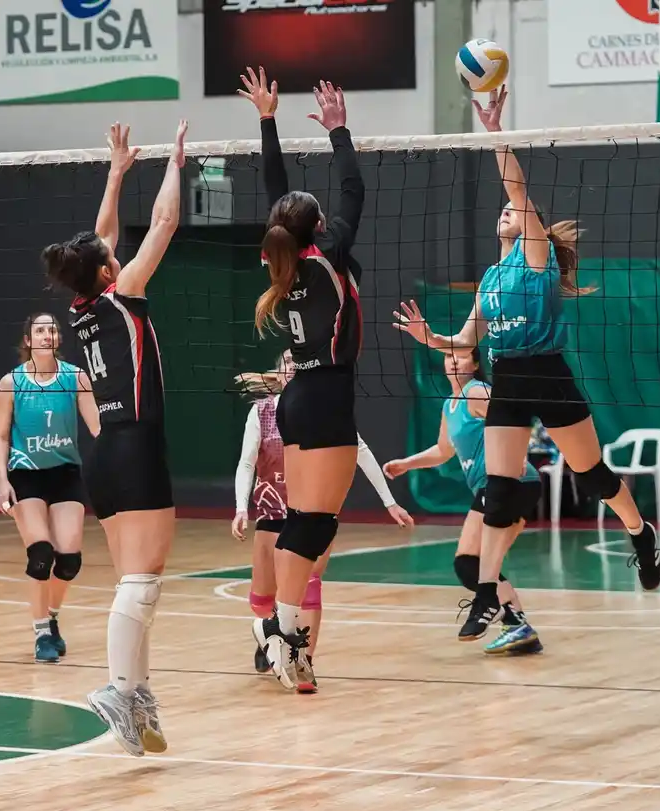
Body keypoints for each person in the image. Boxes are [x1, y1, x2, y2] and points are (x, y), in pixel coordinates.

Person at [392, 85, 660, 639]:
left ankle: (640, 533)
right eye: (504, 211)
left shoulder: (535, 256)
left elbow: (515, 186)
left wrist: (496, 134)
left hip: (548, 373)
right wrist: (428, 337)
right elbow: (463, 341)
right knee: (498, 490)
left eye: (513, 210)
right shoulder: (489, 280)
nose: (506, 211)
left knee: (592, 475)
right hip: (508, 378)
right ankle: (486, 594)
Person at [42, 118, 187, 757]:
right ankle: (118, 689)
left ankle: (137, 694)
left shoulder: (83, 308)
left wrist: (116, 172)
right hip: (135, 445)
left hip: (106, 452)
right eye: (110, 257)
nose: (117, 254)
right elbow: (165, 224)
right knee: (145, 579)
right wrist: (176, 163)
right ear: (107, 271)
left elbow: (101, 238)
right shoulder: (124, 295)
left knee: (136, 577)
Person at [239, 69, 365, 691]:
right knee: (318, 524)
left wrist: (268, 120)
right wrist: (338, 131)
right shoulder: (327, 254)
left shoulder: (281, 259)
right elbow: (353, 189)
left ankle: (284, 636)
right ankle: (287, 638)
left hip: (295, 397)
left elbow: (277, 191)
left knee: (302, 521)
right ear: (317, 229)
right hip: (327, 394)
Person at [231, 350, 414, 687]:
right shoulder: (263, 412)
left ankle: (304, 661)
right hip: (272, 510)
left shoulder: (326, 409)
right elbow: (246, 463)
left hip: (311, 510)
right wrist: (241, 507)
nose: (291, 367)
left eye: (296, 362)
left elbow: (361, 451)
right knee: (261, 599)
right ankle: (273, 630)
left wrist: (390, 503)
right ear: (279, 373)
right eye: (286, 363)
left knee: (310, 584)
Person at [382, 346, 544, 655]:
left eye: (461, 355)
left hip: (509, 482)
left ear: (475, 363)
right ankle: (517, 626)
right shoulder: (450, 405)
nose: (453, 360)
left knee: (469, 563)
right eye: (448, 355)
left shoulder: (477, 391)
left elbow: (512, 417)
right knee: (480, 565)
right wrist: (407, 463)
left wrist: (519, 453)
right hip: (499, 487)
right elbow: (443, 450)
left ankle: (507, 617)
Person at [0, 313, 101, 664]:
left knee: (69, 560)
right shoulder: (11, 382)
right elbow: (2, 435)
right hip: (26, 474)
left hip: (65, 473)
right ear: (28, 340)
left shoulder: (75, 377)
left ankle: (51, 616)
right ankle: (41, 633)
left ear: (59, 338)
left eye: (51, 330)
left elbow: (98, 428)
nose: (45, 335)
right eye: (38, 330)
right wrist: (2, 480)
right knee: (41, 554)